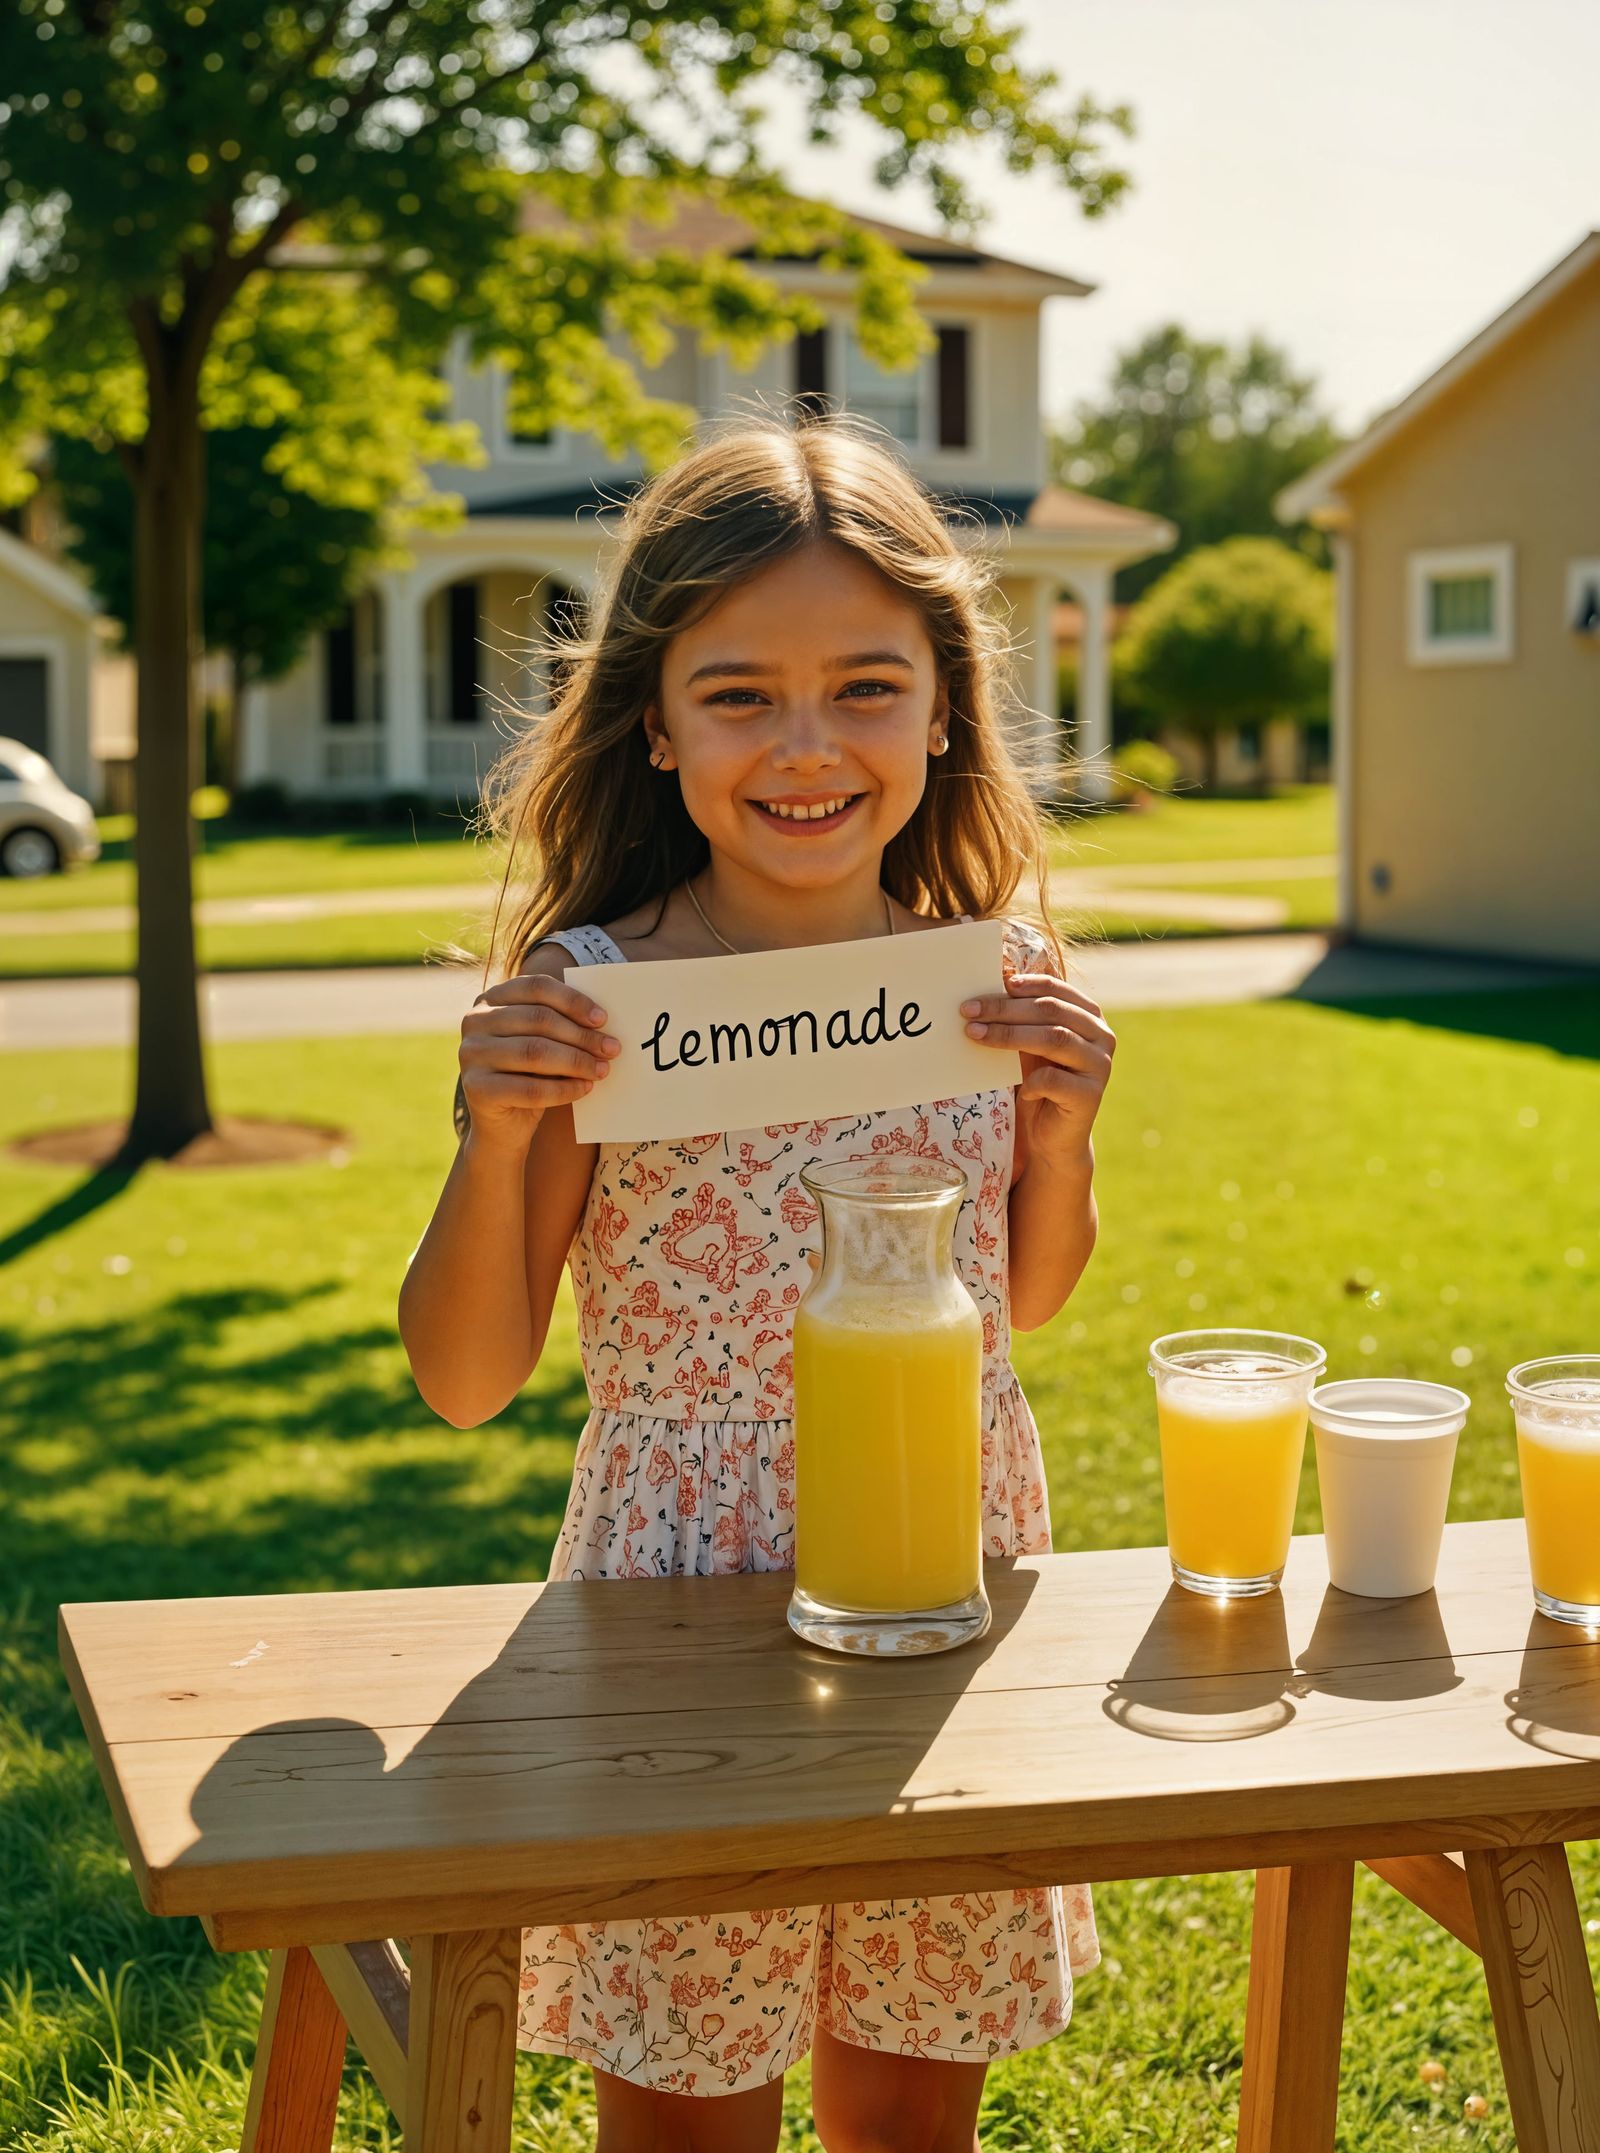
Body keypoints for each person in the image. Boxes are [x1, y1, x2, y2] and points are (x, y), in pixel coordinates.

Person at [399, 413, 1116, 2153]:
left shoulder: (986, 969)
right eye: (740, 695)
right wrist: (496, 1139)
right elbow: (468, 1375)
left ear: (945, 708)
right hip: (680, 1595)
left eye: (868, 686)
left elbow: (1029, 1294)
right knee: (688, 2108)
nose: (809, 746)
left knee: (908, 2099)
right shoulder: (596, 1002)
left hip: (945, 1559)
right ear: (655, 720)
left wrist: (1069, 1134)